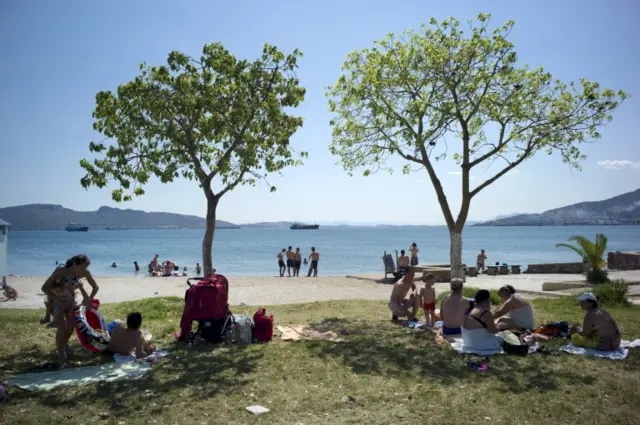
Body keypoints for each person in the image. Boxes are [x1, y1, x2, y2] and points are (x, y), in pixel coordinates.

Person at [41, 254, 99, 368]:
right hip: (56, 300)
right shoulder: (60, 270)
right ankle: (61, 358)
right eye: (83, 267)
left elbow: (95, 287)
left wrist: (87, 300)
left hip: (71, 299)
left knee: (71, 327)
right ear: (74, 264)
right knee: (61, 327)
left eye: (86, 267)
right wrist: (56, 298)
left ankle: (63, 345)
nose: (85, 270)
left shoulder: (84, 273)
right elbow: (45, 287)